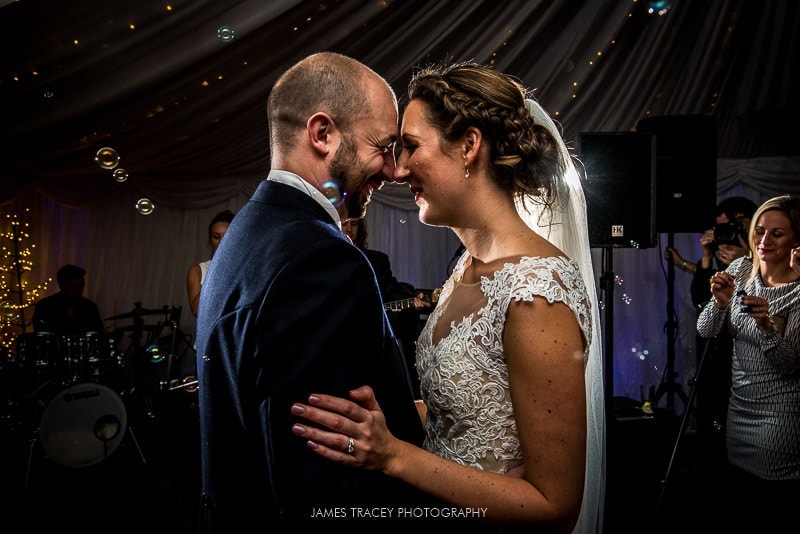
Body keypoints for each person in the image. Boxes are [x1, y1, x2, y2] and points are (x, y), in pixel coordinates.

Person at [290, 61, 605, 533]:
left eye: (412, 147)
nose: (396, 169)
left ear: (468, 146)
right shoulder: (466, 267)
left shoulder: (537, 293)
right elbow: (474, 414)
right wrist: (386, 418)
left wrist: (394, 456)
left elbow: (553, 506)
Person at [195, 52, 441, 533]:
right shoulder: (319, 260)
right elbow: (322, 480)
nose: (392, 171)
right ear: (323, 133)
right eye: (383, 146)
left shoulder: (250, 228)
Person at [698, 194, 800, 532]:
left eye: (777, 234)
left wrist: (767, 327)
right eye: (759, 231)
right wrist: (720, 301)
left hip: (779, 418)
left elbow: (789, 365)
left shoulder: (798, 291)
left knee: (769, 505)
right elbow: (705, 329)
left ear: (795, 240)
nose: (764, 241)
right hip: (739, 410)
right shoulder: (742, 269)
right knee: (739, 503)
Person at [665, 196, 757, 481]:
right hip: (712, 349)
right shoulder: (719, 260)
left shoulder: (756, 260)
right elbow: (703, 304)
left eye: (734, 224)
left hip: (741, 351)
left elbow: (748, 305)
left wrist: (744, 260)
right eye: (720, 228)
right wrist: (706, 258)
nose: (726, 234)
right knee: (709, 412)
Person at [339, 196, 432, 393]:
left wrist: (412, 301)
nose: (349, 230)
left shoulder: (377, 260)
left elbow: (392, 295)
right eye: (344, 224)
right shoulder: (323, 261)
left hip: (370, 347)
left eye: (354, 224)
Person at [187, 209, 235, 318]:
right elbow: (196, 310)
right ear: (210, 240)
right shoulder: (198, 270)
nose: (222, 242)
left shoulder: (247, 268)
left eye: (228, 236)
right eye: (216, 237)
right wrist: (219, 268)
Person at [32, 264, 103, 334]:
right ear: (61, 285)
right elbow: (41, 334)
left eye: (81, 286)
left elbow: (97, 332)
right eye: (74, 287)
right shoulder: (45, 306)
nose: (79, 291)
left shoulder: (89, 306)